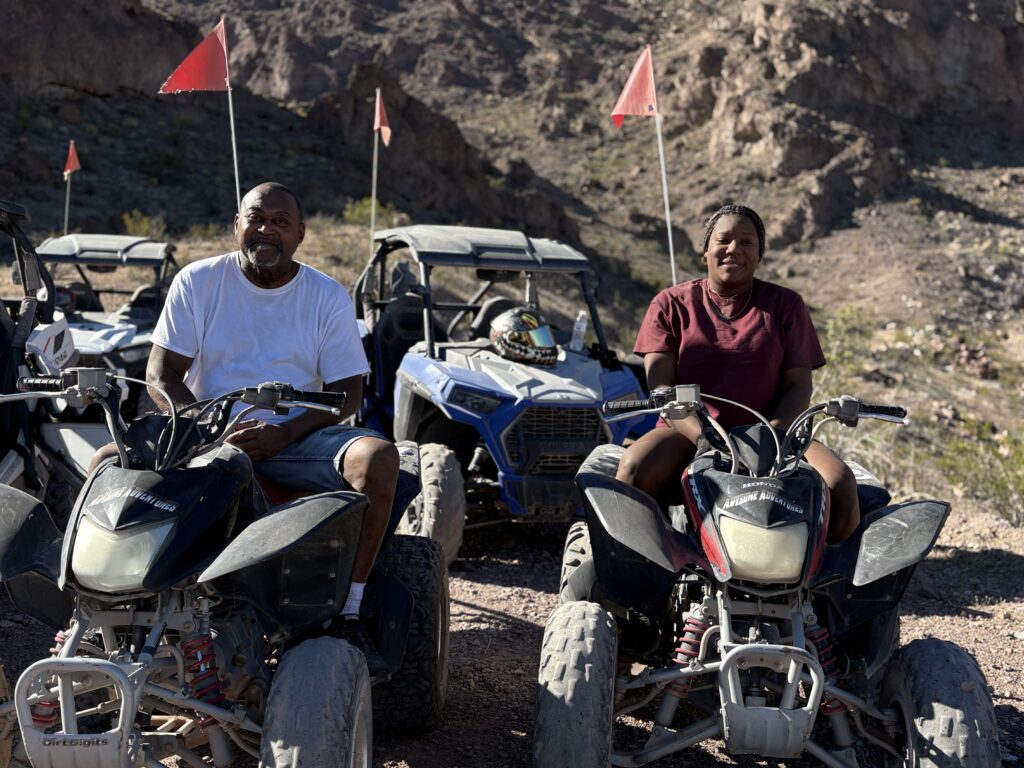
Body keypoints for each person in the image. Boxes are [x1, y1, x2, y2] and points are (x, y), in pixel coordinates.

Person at [146, 181, 398, 666]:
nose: (266, 230)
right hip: (207, 436)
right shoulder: (198, 281)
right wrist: (207, 429)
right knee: (106, 461)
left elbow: (348, 395)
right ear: (236, 225)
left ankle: (348, 610)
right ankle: (103, 612)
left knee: (379, 459)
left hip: (296, 439)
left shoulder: (326, 295)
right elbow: (160, 375)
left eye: (280, 221)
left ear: (300, 233)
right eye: (256, 218)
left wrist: (285, 432)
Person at [615, 204, 860, 544]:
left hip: (773, 437)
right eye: (724, 239)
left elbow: (798, 385)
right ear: (705, 251)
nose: (734, 249)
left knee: (838, 485)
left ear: (759, 254)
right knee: (633, 469)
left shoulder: (786, 305)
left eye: (747, 242)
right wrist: (705, 437)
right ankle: (651, 567)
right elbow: (662, 387)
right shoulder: (671, 304)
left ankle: (819, 583)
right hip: (689, 432)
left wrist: (772, 437)